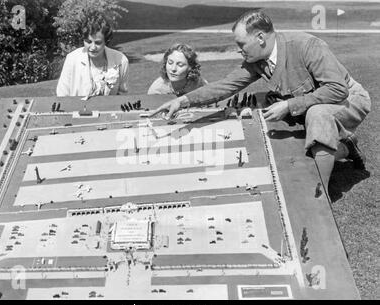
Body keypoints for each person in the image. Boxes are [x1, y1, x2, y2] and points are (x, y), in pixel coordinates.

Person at [149, 10, 370, 190]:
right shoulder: (256, 59)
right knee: (259, 103)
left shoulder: (307, 45)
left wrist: (289, 104)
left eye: (242, 44)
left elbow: (337, 88)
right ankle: (344, 148)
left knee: (317, 115)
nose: (239, 50)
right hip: (311, 102)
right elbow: (225, 85)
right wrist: (183, 101)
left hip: (349, 100)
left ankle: (317, 195)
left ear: (261, 38)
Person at [56, 17, 129, 97]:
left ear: (106, 41)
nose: (93, 47)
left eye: (98, 43)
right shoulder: (72, 59)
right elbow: (62, 95)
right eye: (88, 42)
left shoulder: (121, 60)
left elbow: (123, 96)